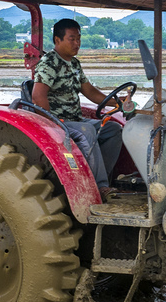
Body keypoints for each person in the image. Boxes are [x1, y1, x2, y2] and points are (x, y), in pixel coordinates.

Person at [32, 18, 132, 197]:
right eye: (72, 39)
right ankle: (100, 187)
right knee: (86, 131)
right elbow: (38, 95)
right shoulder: (49, 63)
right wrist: (52, 125)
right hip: (59, 121)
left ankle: (102, 180)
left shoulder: (75, 64)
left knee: (113, 129)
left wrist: (119, 102)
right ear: (57, 40)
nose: (77, 43)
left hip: (76, 119)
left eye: (78, 38)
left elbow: (89, 91)